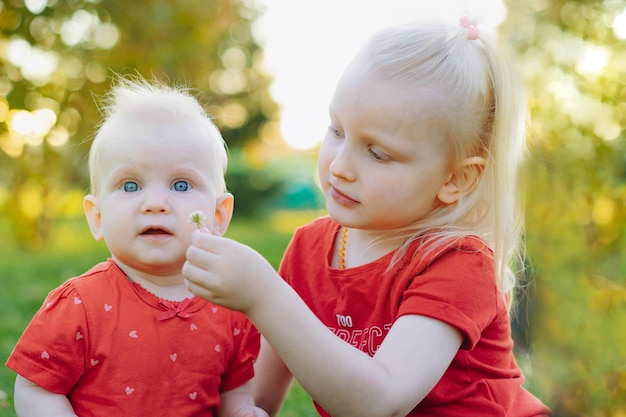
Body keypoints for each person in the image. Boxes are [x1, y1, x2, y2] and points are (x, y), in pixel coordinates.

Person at [183, 17, 552, 417]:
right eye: (337, 131)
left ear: (456, 179)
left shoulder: (459, 263)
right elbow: (258, 399)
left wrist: (264, 295)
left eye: (377, 153)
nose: (340, 166)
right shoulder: (310, 249)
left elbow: (380, 401)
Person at [6, 77, 267, 417]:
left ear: (218, 215)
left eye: (181, 184)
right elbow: (35, 387)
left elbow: (234, 388)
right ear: (97, 216)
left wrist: (242, 411)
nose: (155, 203)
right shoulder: (80, 304)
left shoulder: (230, 305)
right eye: (130, 185)